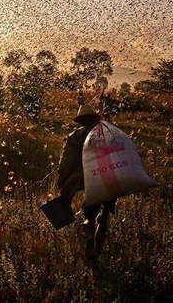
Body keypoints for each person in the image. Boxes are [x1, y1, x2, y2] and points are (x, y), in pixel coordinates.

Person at [57, 104, 117, 265]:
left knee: (90, 214)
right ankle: (96, 254)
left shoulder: (74, 136)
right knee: (104, 216)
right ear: (96, 118)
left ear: (80, 121)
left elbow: (66, 161)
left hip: (85, 177)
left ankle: (89, 232)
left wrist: (62, 180)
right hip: (108, 175)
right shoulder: (108, 132)